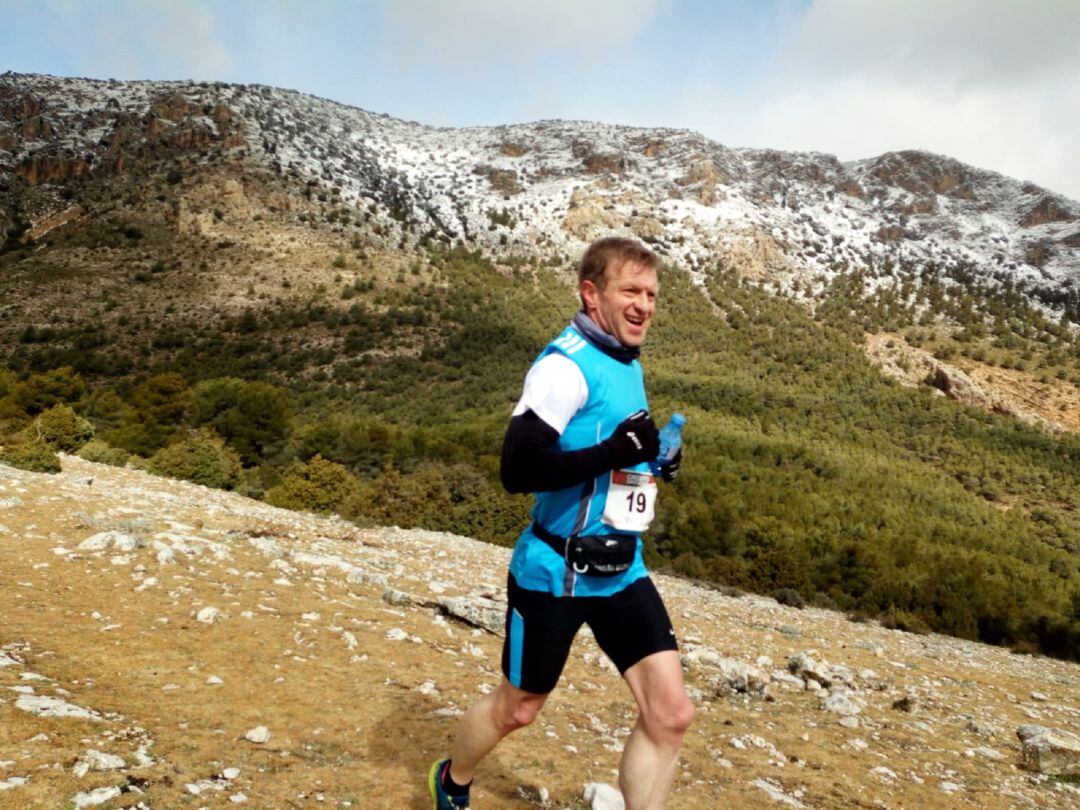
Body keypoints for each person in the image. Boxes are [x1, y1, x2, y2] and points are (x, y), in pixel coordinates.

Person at [429, 236, 694, 809]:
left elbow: (611, 447)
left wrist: (653, 459)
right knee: (518, 708)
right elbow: (517, 468)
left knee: (670, 714)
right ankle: (452, 781)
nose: (644, 305)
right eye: (631, 291)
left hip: (621, 570)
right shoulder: (563, 367)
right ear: (591, 293)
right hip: (556, 572)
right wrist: (613, 452)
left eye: (651, 294)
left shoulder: (624, 358)